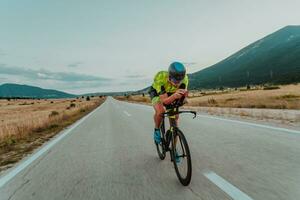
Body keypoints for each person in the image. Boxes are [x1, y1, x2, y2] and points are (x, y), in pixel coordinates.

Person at [148, 61, 189, 145]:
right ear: (169, 76)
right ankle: (157, 130)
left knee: (174, 119)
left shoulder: (185, 79)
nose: (177, 84)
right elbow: (164, 101)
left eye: (179, 81)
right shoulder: (160, 77)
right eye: (175, 80)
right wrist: (174, 96)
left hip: (172, 92)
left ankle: (174, 150)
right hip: (157, 92)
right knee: (160, 111)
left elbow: (181, 96)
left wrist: (184, 98)